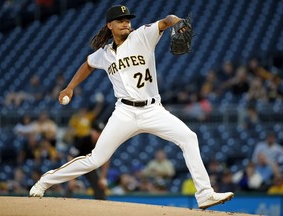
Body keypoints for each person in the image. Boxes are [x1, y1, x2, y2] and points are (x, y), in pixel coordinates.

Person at [29, 5, 234, 209]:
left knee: (189, 137)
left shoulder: (142, 36)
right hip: (124, 113)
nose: (126, 23)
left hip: (153, 110)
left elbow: (166, 20)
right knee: (95, 160)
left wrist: (178, 22)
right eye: (120, 20)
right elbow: (88, 64)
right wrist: (70, 87)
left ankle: (205, 194)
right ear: (110, 25)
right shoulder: (105, 53)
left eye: (128, 19)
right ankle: (45, 181)